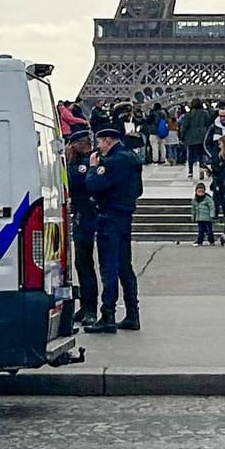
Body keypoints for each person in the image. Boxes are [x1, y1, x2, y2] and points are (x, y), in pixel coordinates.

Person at [82, 124, 143, 333]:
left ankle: (108, 314)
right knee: (125, 265)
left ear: (107, 141)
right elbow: (139, 190)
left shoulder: (114, 161)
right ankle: (132, 313)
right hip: (125, 215)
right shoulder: (131, 159)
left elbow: (93, 184)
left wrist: (92, 167)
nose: (98, 147)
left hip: (110, 216)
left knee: (108, 266)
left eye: (100, 142)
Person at [63, 128, 100, 321]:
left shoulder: (82, 165)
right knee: (81, 263)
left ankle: (91, 308)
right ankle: (86, 306)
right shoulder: (79, 163)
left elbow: (76, 184)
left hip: (86, 216)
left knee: (85, 263)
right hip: (81, 215)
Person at [181, 100, 212, 178]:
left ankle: (190, 171)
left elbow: (184, 126)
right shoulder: (205, 113)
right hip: (202, 136)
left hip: (190, 136)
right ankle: (201, 169)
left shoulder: (188, 114)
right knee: (201, 154)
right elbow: (208, 123)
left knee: (191, 154)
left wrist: (182, 136)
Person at [192, 181, 217, 245]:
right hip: (199, 218)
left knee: (209, 230)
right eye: (199, 192)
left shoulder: (207, 198)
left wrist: (212, 214)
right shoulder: (195, 200)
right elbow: (193, 209)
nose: (200, 193)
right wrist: (193, 217)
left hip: (207, 218)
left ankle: (211, 241)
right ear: (196, 192)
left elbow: (212, 206)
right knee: (200, 231)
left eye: (202, 192)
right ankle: (200, 241)